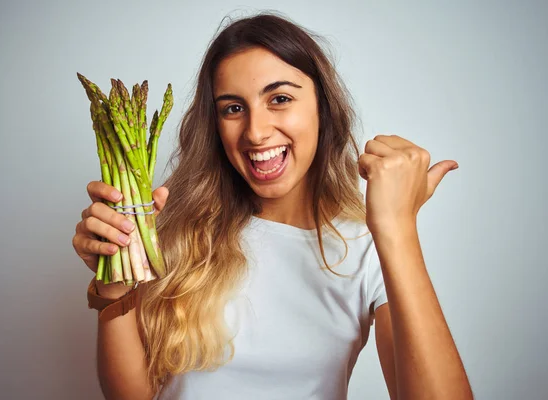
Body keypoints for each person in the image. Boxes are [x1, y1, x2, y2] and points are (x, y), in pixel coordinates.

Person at [72, 13, 473, 400]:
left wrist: (397, 227)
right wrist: (113, 284)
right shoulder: (167, 226)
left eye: (279, 99)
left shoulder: (368, 248)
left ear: (323, 109)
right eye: (233, 108)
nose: (256, 131)